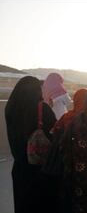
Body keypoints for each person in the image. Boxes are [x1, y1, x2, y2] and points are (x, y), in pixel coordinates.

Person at [5, 76, 57, 213]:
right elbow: (55, 134)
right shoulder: (42, 109)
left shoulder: (10, 108)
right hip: (40, 170)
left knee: (23, 205)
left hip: (20, 169)